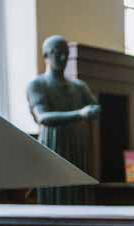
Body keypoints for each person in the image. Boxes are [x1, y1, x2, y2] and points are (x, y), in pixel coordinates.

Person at [27, 35, 100, 204]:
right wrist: (80, 114)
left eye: (65, 53)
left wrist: (92, 110)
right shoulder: (37, 84)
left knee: (79, 194)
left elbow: (95, 107)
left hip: (77, 144)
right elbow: (43, 117)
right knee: (56, 194)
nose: (62, 57)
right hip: (54, 144)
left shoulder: (78, 86)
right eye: (57, 53)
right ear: (45, 55)